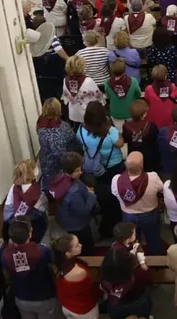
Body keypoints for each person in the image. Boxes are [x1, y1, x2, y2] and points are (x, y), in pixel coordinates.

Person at [78, 102, 125, 238]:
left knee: (102, 194)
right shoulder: (109, 131)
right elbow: (120, 143)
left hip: (94, 169)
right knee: (114, 196)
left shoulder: (81, 130)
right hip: (112, 167)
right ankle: (112, 224)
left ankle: (103, 214)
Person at [0, 217, 59, 319]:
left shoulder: (4, 253)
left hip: (21, 296)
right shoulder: (43, 251)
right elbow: (51, 268)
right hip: (44, 296)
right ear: (30, 233)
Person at [111, 151, 164, 255]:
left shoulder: (116, 180)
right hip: (150, 214)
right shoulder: (153, 177)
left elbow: (114, 194)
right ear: (142, 165)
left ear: (126, 165)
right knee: (153, 239)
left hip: (128, 215)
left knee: (132, 242)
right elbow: (162, 189)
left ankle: (134, 261)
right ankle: (156, 260)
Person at [49, 152, 97, 251]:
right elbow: (83, 211)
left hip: (65, 217)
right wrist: (91, 195)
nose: (81, 172)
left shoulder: (60, 175)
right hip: (77, 224)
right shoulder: (74, 192)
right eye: (77, 170)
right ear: (70, 171)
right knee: (86, 245)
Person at [51, 234, 100, 319]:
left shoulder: (57, 264)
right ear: (68, 253)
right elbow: (90, 290)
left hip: (66, 306)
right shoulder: (78, 272)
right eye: (77, 245)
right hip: (83, 310)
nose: (81, 245)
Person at [3, 159, 48, 245]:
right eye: (35, 168)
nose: (37, 169)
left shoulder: (14, 186)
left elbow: (10, 206)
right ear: (32, 173)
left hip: (14, 217)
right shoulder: (34, 190)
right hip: (31, 218)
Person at [99, 247, 151, 319]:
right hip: (137, 302)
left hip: (115, 303)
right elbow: (148, 279)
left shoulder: (103, 274)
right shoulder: (137, 275)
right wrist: (142, 263)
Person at [123, 100, 159, 173]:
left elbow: (125, 140)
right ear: (144, 114)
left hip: (133, 155)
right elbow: (155, 141)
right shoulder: (152, 126)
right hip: (148, 157)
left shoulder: (126, 126)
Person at [103, 58, 141, 127]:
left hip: (116, 113)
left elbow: (108, 96)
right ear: (124, 68)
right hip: (131, 111)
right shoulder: (133, 81)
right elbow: (138, 94)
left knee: (120, 133)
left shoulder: (107, 83)